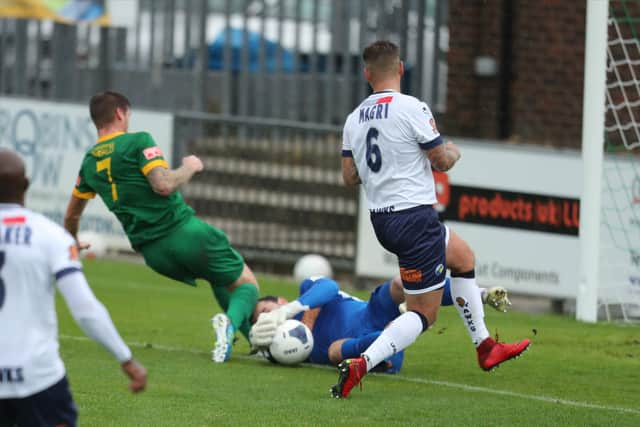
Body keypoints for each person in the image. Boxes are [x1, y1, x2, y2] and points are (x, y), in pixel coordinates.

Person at [332, 40, 530, 398]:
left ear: (367, 74)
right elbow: (441, 161)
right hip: (414, 217)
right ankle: (363, 362)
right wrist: (453, 150)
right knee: (424, 314)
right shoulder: (411, 107)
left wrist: (384, 171)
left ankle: (485, 347)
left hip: (384, 220)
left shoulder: (354, 118)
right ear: (401, 68)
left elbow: (348, 176)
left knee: (463, 257)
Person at [63, 91, 259, 363]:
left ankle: (256, 342)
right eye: (127, 115)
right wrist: (189, 167)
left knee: (219, 279)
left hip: (154, 255)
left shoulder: (89, 163)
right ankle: (229, 325)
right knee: (247, 284)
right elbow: (163, 184)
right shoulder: (137, 141)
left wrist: (73, 241)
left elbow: (71, 216)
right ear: (120, 113)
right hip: (184, 233)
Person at [0, 149, 147, 427]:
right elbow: (85, 309)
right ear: (26, 185)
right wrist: (125, 358)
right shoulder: (51, 236)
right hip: (38, 378)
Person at [249, 275, 511, 372]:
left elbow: (329, 287)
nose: (265, 318)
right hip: (369, 350)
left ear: (281, 300)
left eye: (265, 309)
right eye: (260, 318)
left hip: (372, 312)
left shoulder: (307, 294)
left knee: (401, 284)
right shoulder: (281, 344)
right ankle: (401, 328)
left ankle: (483, 295)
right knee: (333, 352)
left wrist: (296, 314)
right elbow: (269, 353)